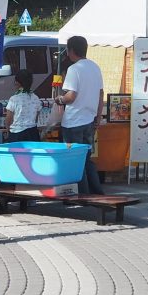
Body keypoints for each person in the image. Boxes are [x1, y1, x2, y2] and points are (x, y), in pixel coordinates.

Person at [56, 35, 105, 195]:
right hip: (89, 121)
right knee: (87, 159)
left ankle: (82, 194)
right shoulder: (95, 67)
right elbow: (100, 94)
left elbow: (71, 96)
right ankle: (97, 191)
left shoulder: (74, 69)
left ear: (71, 50)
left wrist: (59, 99)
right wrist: (98, 117)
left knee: (75, 161)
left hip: (73, 122)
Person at [4, 68, 41, 140]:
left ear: (17, 83)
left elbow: (8, 119)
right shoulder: (36, 98)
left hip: (17, 134)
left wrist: (7, 130)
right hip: (33, 133)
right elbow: (36, 118)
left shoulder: (14, 99)